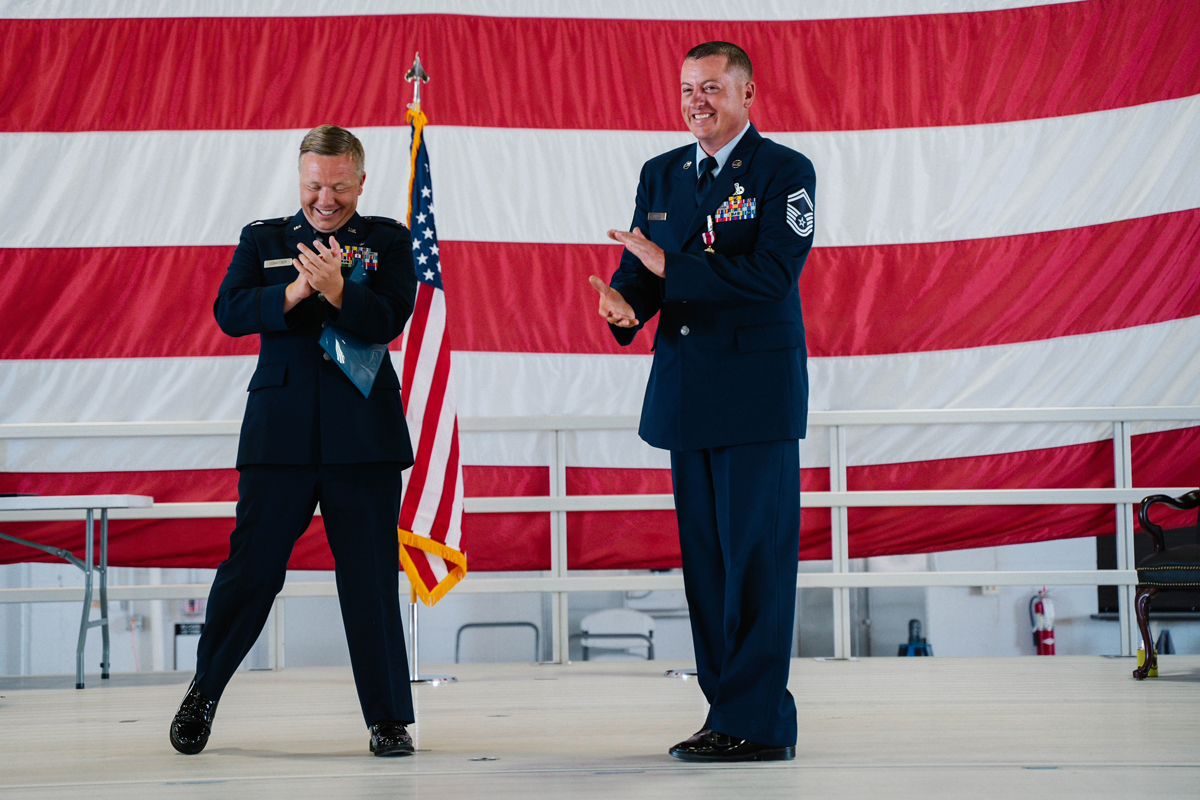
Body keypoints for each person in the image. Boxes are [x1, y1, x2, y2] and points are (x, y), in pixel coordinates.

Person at [590, 42, 816, 762]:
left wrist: (673, 268)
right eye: (689, 88)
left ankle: (759, 723)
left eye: (712, 87)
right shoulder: (661, 174)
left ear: (748, 93)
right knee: (710, 571)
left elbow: (774, 274)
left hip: (754, 396)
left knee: (756, 565)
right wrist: (626, 305)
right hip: (688, 393)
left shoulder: (784, 171)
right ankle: (727, 714)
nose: (697, 101)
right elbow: (642, 270)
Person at [169, 125, 419, 758]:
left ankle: (388, 719)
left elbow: (391, 317)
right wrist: (295, 290)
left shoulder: (389, 240)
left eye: (339, 186)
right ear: (299, 180)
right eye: (314, 186)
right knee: (250, 572)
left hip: (362, 437)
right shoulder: (264, 239)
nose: (325, 199)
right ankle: (203, 692)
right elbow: (230, 311)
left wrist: (338, 291)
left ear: (361, 182)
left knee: (369, 581)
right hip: (279, 435)